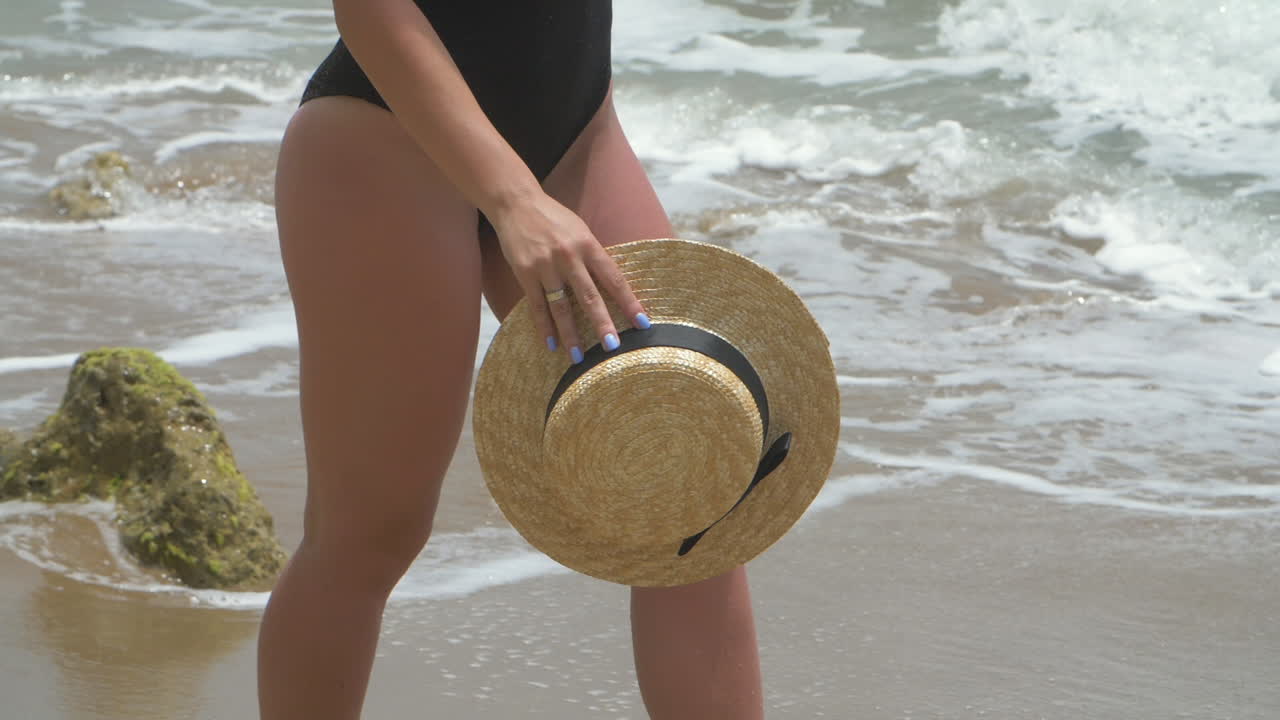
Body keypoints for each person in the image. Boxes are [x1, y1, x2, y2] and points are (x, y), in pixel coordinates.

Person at [258, 1, 764, 718]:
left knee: (697, 482)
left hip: (575, 130)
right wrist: (513, 200)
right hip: (387, 132)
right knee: (368, 537)